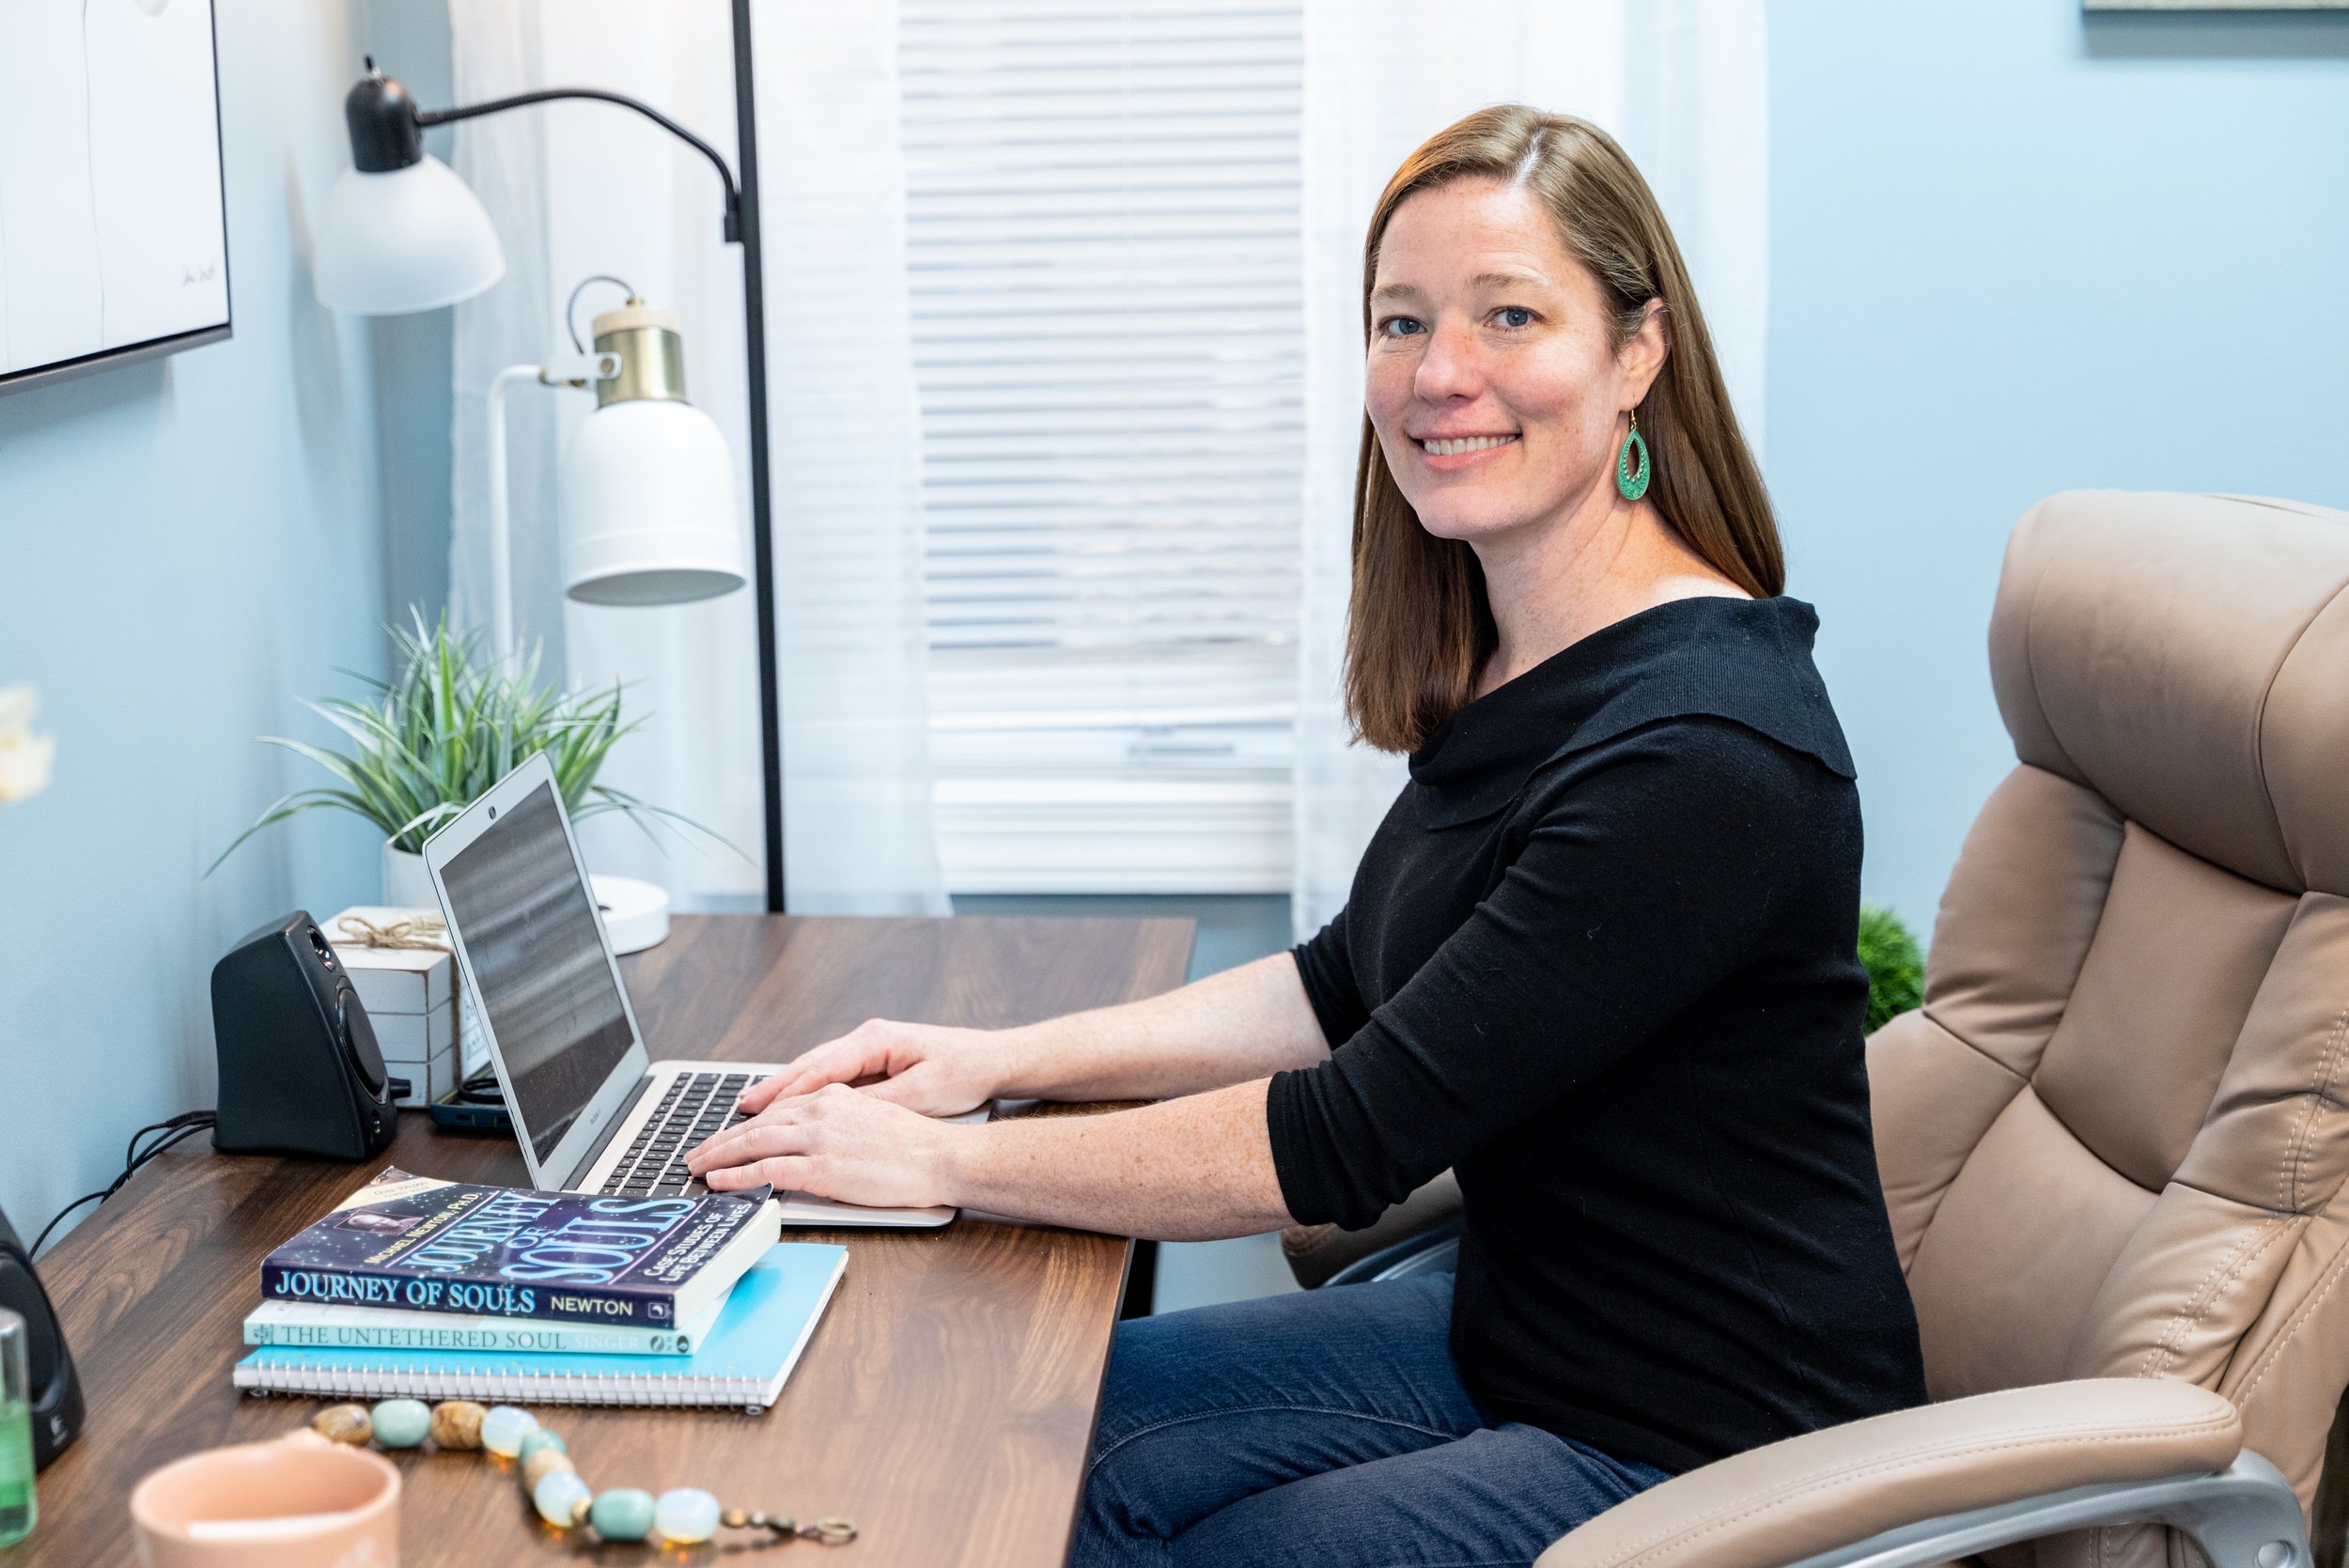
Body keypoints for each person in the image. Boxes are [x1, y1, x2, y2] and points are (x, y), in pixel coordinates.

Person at [688, 104, 1926, 1566]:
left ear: (1637, 352)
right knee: (1025, 1425)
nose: (1438, 373)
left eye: (1508, 314)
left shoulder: (1704, 749)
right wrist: (992, 1067)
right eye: (1400, 321)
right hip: (1513, 1332)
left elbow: (1341, 1137)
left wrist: (940, 1161)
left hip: (1699, 1442)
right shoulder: (1532, 659)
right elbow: (1346, 982)